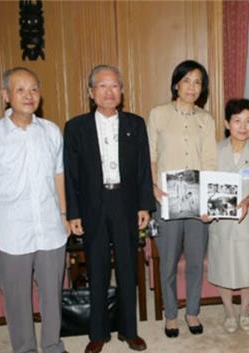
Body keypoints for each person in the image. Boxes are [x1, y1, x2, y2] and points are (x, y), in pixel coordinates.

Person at [0, 67, 69, 353]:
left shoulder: (51, 132)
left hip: (50, 229)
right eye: (20, 89)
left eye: (34, 89)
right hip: (12, 232)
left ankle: (52, 345)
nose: (28, 95)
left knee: (52, 295)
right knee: (16, 298)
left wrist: (63, 214)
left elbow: (58, 175)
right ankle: (24, 349)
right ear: (5, 95)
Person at [64, 65, 155, 353]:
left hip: (126, 203)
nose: (109, 91)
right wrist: (73, 213)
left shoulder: (135, 124)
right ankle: (98, 332)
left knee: (128, 267)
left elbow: (143, 170)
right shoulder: (76, 127)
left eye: (114, 85)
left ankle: (129, 331)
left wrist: (145, 205)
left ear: (122, 91)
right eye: (102, 86)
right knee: (97, 267)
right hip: (93, 205)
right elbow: (70, 175)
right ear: (91, 93)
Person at [146, 60, 217, 337]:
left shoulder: (206, 119)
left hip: (198, 199)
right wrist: (153, 187)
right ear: (176, 83)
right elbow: (150, 156)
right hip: (166, 197)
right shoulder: (158, 114)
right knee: (168, 260)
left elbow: (210, 161)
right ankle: (171, 314)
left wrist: (208, 201)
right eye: (186, 80)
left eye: (197, 82)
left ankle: (193, 312)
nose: (192, 87)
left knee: (197, 260)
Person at [206, 99, 249, 333]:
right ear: (227, 123)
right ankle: (229, 312)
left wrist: (248, 200)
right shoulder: (213, 150)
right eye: (237, 121)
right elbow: (205, 184)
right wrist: (205, 209)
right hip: (220, 221)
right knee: (223, 268)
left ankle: (245, 311)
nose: (243, 126)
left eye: (248, 121)